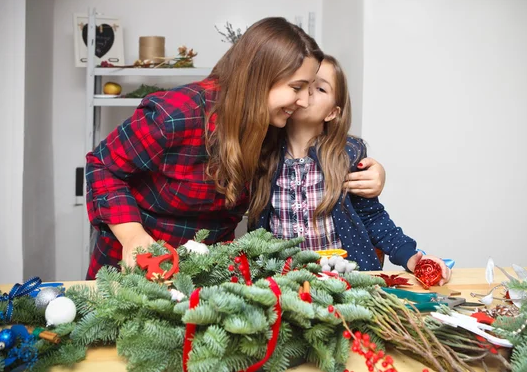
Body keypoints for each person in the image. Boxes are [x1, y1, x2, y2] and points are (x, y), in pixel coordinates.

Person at [85, 18, 385, 279]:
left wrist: (373, 173)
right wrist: (133, 236)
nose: (304, 101)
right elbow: (102, 166)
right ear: (260, 79)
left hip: (208, 275)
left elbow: (321, 149)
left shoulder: (271, 127)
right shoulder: (176, 114)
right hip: (136, 269)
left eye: (309, 90)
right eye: (296, 88)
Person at [249, 55, 451, 284]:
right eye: (302, 85)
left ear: (332, 113)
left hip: (341, 284)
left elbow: (373, 217)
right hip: (282, 284)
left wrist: (411, 257)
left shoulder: (346, 156)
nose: (308, 93)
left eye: (321, 88)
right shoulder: (263, 154)